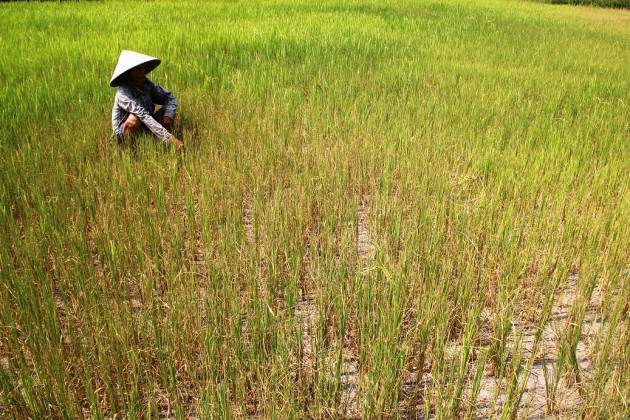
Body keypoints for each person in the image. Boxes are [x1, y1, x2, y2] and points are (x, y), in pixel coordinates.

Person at [110, 50, 184, 150]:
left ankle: (156, 144)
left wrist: (168, 115)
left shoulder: (147, 85)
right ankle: (128, 150)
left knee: (169, 110)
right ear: (129, 73)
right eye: (137, 69)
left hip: (145, 127)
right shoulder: (123, 94)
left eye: (143, 67)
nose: (142, 71)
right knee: (134, 119)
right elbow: (143, 116)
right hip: (124, 133)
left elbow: (170, 97)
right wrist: (170, 139)